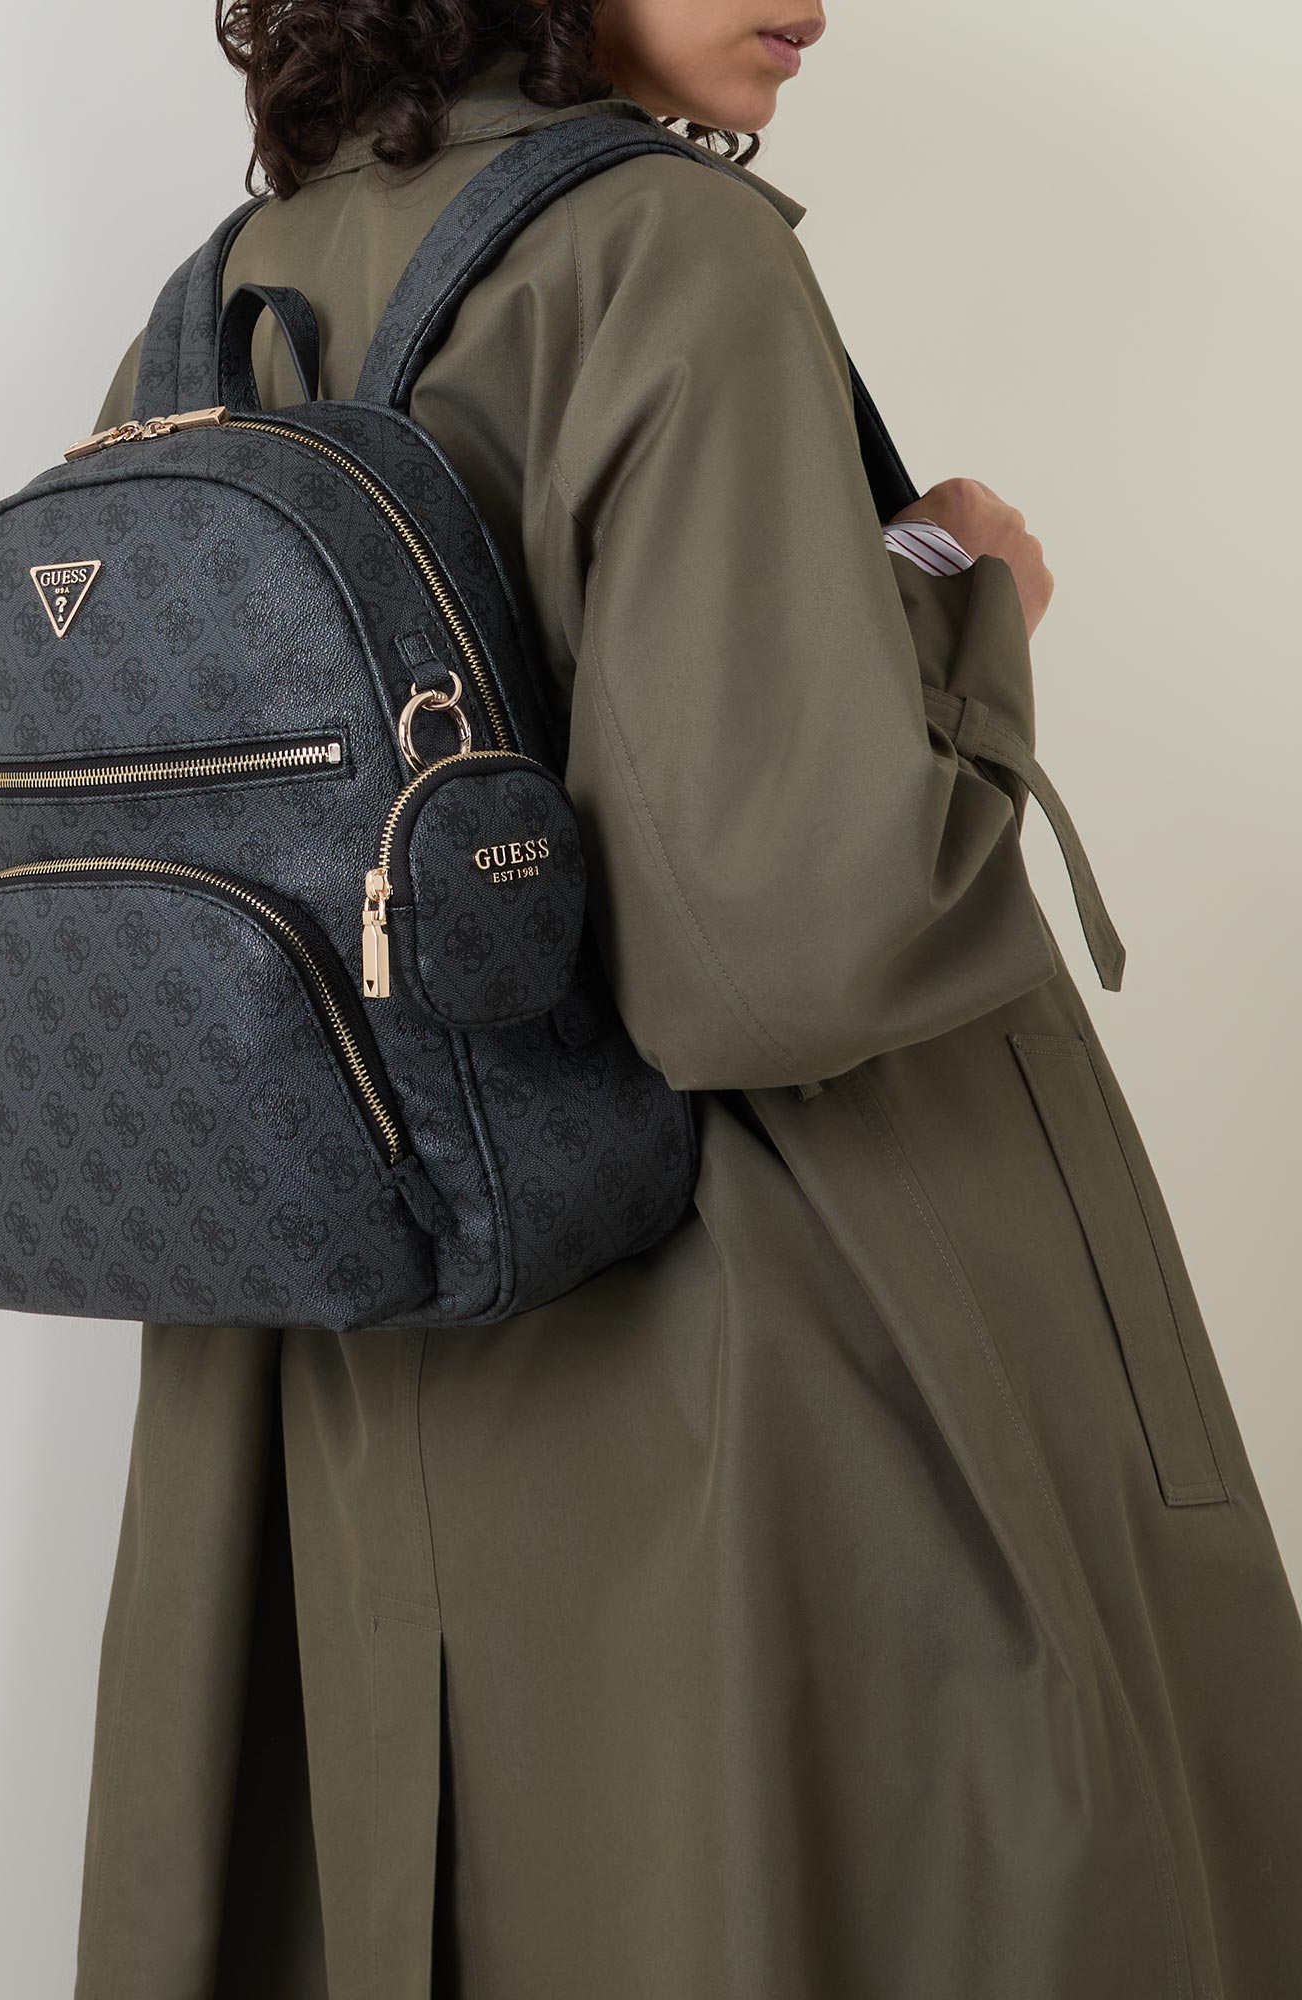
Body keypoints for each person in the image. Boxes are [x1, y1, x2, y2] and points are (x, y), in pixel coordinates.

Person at [67, 5, 1302, 1994]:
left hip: (321, 1387)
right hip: (735, 1383)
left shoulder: (205, 317)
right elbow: (778, 949)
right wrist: (971, 612)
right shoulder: (664, 249)